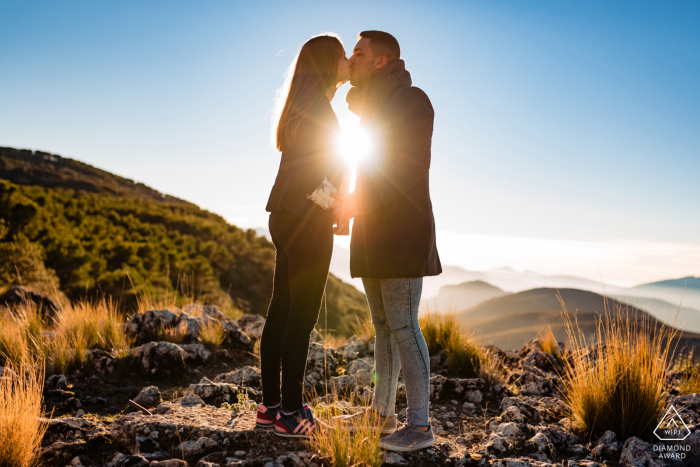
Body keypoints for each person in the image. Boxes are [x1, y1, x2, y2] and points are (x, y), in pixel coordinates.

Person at [331, 30, 442, 452]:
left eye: (358, 52)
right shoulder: (371, 109)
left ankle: (420, 426)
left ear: (381, 61)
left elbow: (406, 168)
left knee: (403, 325)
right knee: (383, 326)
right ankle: (381, 415)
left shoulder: (412, 101)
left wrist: (357, 201)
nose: (351, 57)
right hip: (375, 233)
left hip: (401, 236)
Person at [257, 33, 351, 439]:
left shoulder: (302, 106)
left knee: (281, 311)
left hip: (283, 217)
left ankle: (270, 407)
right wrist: (339, 206)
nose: (349, 60)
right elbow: (317, 180)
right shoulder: (320, 113)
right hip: (307, 221)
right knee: (300, 318)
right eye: (344, 56)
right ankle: (292, 416)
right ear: (330, 64)